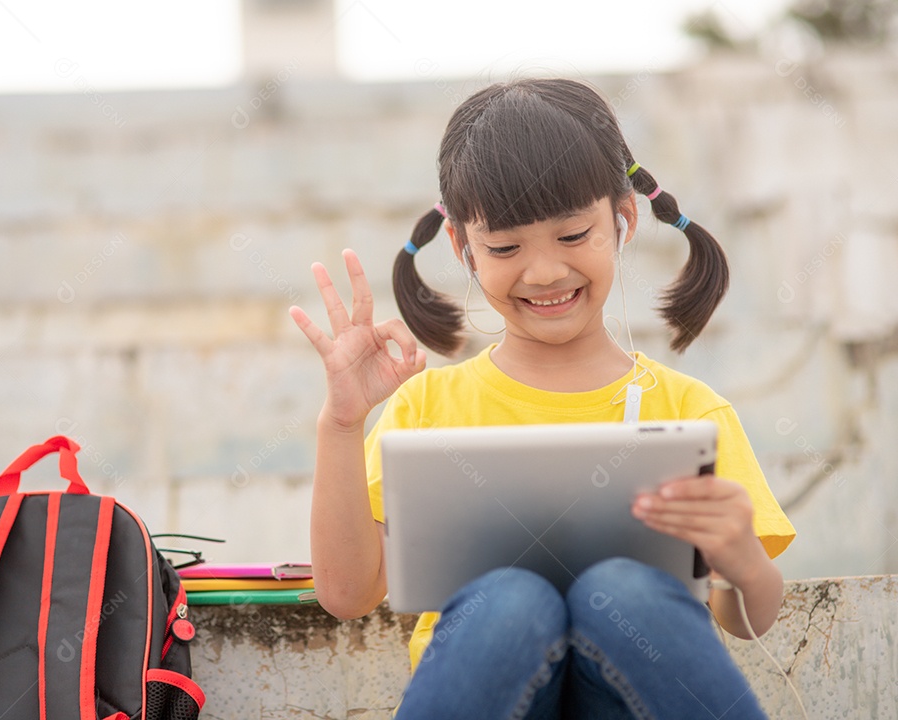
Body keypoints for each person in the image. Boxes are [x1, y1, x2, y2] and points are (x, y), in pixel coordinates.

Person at [289, 77, 796, 719]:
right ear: (463, 249)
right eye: (504, 248)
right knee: (509, 599)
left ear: (625, 219)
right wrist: (342, 421)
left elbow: (750, 619)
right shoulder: (426, 406)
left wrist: (741, 560)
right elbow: (347, 593)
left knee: (624, 591)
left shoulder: (689, 408)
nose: (545, 272)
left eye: (573, 235)